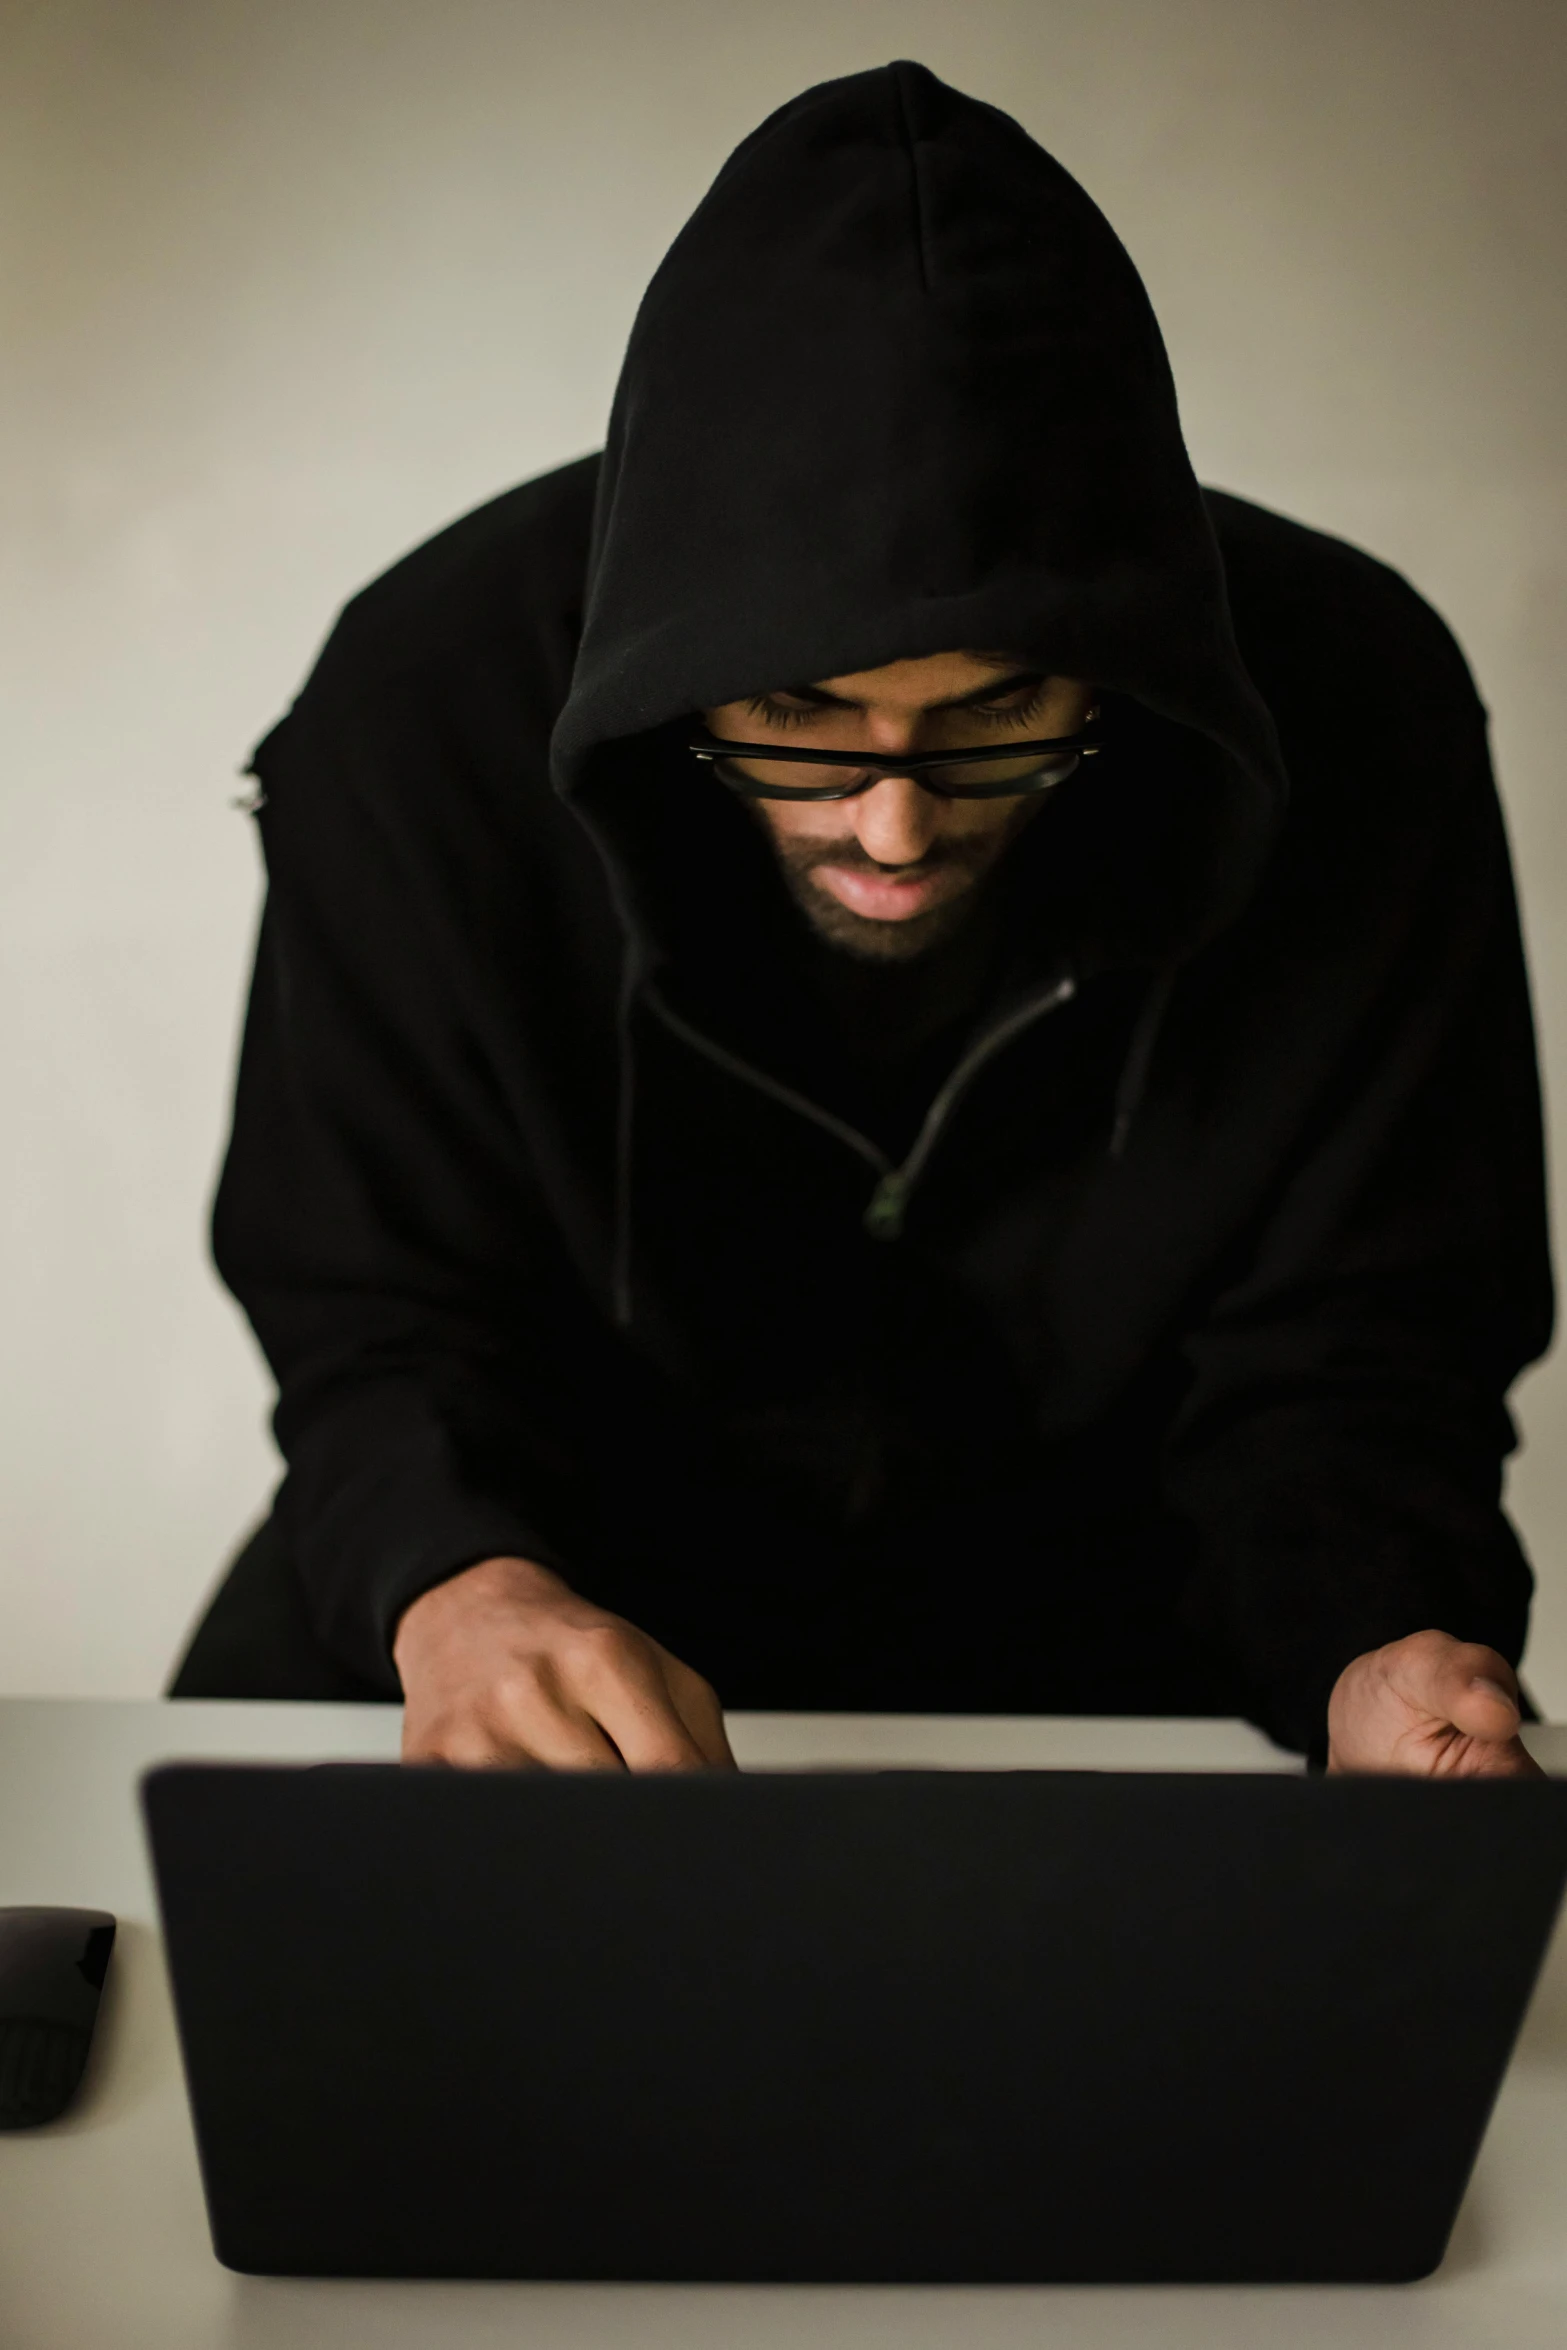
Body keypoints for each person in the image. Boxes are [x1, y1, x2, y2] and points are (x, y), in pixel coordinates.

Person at [173, 61, 1552, 1780]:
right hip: (539, 1601)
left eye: (995, 716)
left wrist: (1375, 1634)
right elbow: (380, 1310)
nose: (892, 820)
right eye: (800, 718)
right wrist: (454, 1582)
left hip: (1129, 1635)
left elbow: (1368, 1345)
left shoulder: (1354, 712)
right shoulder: (419, 711)